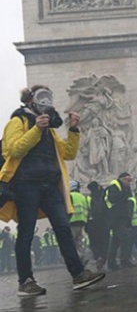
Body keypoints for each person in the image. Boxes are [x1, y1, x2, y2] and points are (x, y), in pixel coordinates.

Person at [0, 85, 104, 295]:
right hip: (25, 185)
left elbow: (68, 154)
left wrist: (73, 129)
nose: (46, 101)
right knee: (26, 233)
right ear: (31, 100)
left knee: (63, 229)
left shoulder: (49, 128)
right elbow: (13, 149)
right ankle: (26, 281)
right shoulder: (17, 121)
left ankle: (79, 275)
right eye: (41, 97)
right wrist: (36, 129)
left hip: (50, 185)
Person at [105, 172, 135, 270]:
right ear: (122, 179)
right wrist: (123, 194)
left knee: (116, 241)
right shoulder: (115, 187)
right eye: (128, 180)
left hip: (122, 218)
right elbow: (112, 199)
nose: (129, 182)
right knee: (125, 238)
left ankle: (111, 262)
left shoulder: (126, 189)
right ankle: (124, 261)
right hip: (117, 218)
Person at [85, 181, 109, 271]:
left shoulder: (88, 198)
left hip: (92, 222)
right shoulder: (104, 196)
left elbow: (87, 212)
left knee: (94, 242)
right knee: (105, 241)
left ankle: (98, 256)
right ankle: (103, 257)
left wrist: (86, 224)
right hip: (103, 221)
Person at [68, 181, 89, 258]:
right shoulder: (82, 196)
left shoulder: (69, 196)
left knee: (71, 242)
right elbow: (87, 209)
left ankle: (77, 258)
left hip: (72, 221)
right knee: (79, 241)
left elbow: (67, 209)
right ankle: (81, 256)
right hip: (82, 222)